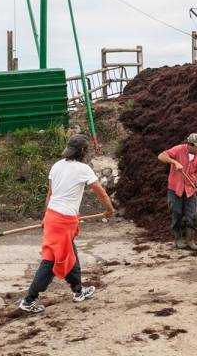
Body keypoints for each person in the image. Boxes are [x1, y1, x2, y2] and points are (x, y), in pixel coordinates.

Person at [19, 134, 115, 314]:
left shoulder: (56, 166)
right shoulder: (83, 169)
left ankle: (78, 291)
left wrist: (46, 217)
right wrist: (109, 210)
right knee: (51, 260)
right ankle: (29, 299)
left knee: (70, 254)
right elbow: (101, 193)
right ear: (83, 151)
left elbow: (50, 194)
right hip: (63, 221)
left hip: (54, 217)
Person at [157, 133, 197, 250]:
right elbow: (161, 156)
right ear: (190, 145)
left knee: (192, 214)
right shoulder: (178, 149)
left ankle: (190, 240)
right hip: (175, 188)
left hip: (190, 189)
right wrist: (174, 162)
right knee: (177, 213)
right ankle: (178, 239)